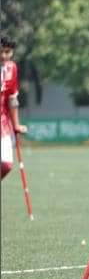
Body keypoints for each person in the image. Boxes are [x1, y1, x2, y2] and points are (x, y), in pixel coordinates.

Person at [1, 35, 27, 180]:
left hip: (3, 123)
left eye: (8, 52)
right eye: (1, 52)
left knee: (6, 165)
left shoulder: (12, 68)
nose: (4, 56)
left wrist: (16, 125)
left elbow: (12, 98)